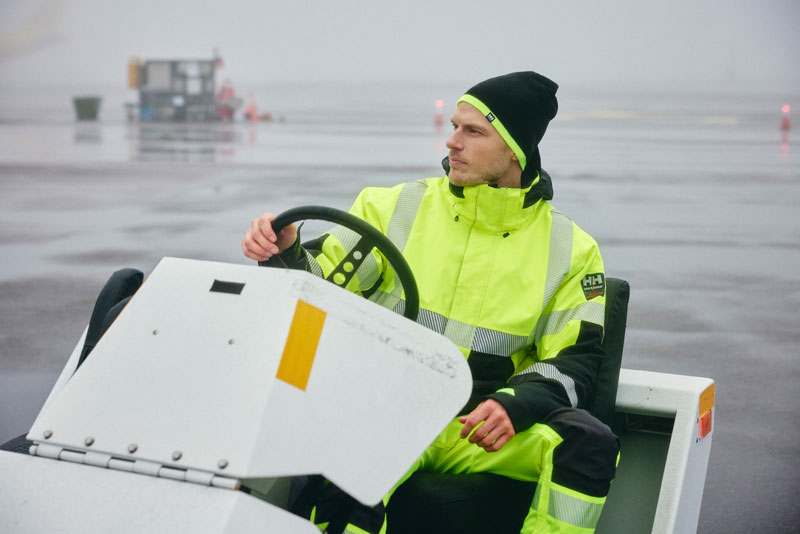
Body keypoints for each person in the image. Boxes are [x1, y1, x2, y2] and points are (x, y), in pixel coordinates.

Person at [241, 71, 619, 534]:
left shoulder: (572, 249)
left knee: (588, 442)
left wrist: (514, 404)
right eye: (455, 126)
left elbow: (575, 360)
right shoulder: (392, 207)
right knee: (354, 449)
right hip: (392, 417)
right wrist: (285, 251)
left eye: (473, 131)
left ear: (515, 149)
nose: (452, 141)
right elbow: (321, 290)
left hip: (483, 431)